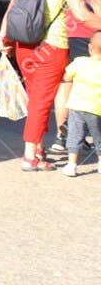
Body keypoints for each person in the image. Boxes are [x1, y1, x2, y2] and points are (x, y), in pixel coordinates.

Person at [0, 0, 100, 171]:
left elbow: (13, 7)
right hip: (52, 47)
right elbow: (83, 16)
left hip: (25, 44)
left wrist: (4, 36)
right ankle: (29, 156)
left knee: (36, 95)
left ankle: (38, 149)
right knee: (41, 101)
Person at [52, 0, 101, 162]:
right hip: (83, 31)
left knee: (64, 85)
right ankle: (84, 135)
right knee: (87, 86)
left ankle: (62, 138)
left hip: (57, 32)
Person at [60, 32, 101, 178]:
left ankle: (72, 164)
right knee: (98, 136)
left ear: (90, 47)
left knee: (74, 135)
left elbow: (66, 77)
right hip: (96, 109)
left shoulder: (79, 62)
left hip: (76, 106)